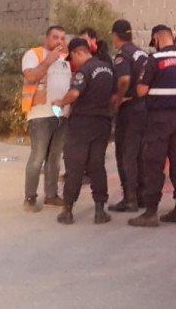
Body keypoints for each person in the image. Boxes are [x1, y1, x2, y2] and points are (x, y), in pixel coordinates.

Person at [129, 25, 176, 227]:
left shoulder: (154, 60)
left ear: (157, 38)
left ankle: (151, 212)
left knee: (153, 163)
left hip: (159, 119)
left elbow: (142, 90)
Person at [53, 37, 117, 225]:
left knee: (75, 166)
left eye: (72, 58)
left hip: (82, 123)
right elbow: (114, 96)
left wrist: (60, 102)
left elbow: (74, 93)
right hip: (103, 123)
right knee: (97, 165)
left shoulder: (84, 70)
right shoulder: (108, 68)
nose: (72, 63)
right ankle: (99, 211)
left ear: (78, 53)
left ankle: (68, 211)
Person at [21, 25, 71, 212]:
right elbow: (32, 77)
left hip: (61, 115)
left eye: (62, 38)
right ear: (47, 39)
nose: (60, 42)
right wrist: (49, 60)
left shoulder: (65, 60)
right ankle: (30, 197)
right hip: (40, 114)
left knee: (55, 158)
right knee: (38, 157)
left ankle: (51, 195)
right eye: (55, 37)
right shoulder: (34, 54)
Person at [110, 19, 149, 213]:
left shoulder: (122, 54)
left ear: (115, 36)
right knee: (139, 154)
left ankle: (129, 198)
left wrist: (118, 98)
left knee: (125, 154)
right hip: (144, 107)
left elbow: (124, 79)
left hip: (130, 109)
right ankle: (141, 195)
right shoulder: (141, 53)